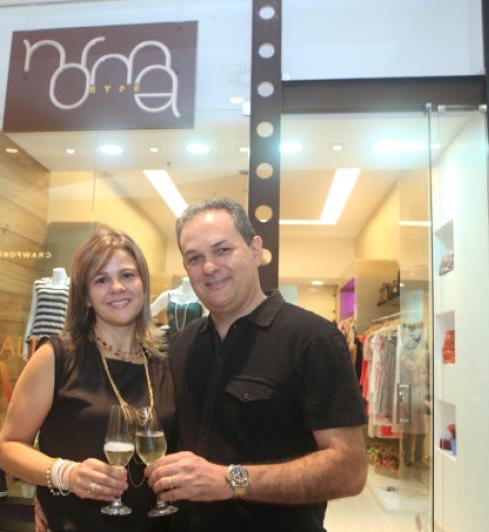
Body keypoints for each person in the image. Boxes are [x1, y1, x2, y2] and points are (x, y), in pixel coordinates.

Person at [145, 197, 368, 532]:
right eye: (194, 258)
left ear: (254, 250)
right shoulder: (181, 346)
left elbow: (349, 470)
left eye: (222, 250)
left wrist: (230, 480)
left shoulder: (312, 339)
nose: (209, 267)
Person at [0, 226, 175, 532]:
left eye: (127, 275)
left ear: (143, 284)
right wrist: (66, 475)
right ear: (86, 296)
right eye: (101, 280)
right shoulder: (56, 357)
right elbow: (9, 448)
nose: (117, 287)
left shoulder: (165, 362)